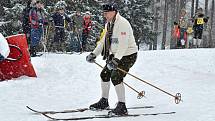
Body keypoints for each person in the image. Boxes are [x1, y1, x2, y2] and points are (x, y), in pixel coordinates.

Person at [86, 3, 138, 115]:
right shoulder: (109, 24)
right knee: (104, 74)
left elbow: (123, 45)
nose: (105, 15)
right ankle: (104, 101)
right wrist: (94, 54)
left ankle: (122, 106)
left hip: (128, 55)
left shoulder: (122, 23)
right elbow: (103, 42)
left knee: (116, 77)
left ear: (113, 12)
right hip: (116, 55)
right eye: (104, 13)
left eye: (106, 13)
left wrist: (116, 60)